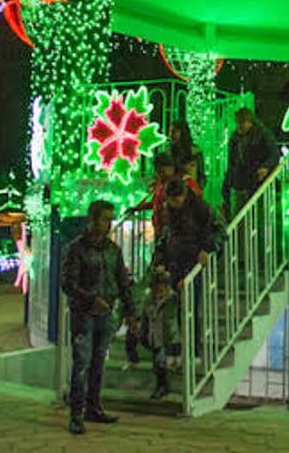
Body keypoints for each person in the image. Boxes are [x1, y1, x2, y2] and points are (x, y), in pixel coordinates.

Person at [60, 200, 137, 436]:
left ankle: (93, 407)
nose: (108, 224)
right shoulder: (77, 249)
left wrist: (130, 310)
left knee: (97, 363)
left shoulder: (113, 250)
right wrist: (91, 299)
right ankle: (76, 413)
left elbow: (122, 282)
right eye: (104, 219)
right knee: (81, 363)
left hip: (105, 313)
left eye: (110, 219)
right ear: (92, 220)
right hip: (84, 314)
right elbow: (68, 283)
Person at [154, 178, 225, 290]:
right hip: (176, 262)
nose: (174, 204)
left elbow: (218, 230)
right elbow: (167, 236)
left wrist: (207, 248)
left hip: (195, 260)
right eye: (172, 201)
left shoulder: (200, 208)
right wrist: (160, 260)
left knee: (192, 295)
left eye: (177, 201)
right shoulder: (170, 211)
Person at [221, 108, 279, 220]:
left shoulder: (262, 134)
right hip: (241, 181)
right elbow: (232, 161)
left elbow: (274, 154)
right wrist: (228, 180)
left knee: (258, 214)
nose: (240, 126)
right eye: (238, 122)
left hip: (257, 179)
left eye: (242, 122)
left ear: (250, 121)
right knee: (241, 215)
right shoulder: (235, 137)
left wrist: (266, 167)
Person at [139, 267, 180, 400]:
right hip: (155, 338)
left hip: (171, 338)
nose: (158, 294)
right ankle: (161, 385)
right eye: (155, 290)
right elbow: (145, 320)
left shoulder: (173, 300)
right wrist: (143, 335)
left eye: (161, 290)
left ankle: (163, 386)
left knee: (162, 361)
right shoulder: (148, 302)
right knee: (158, 363)